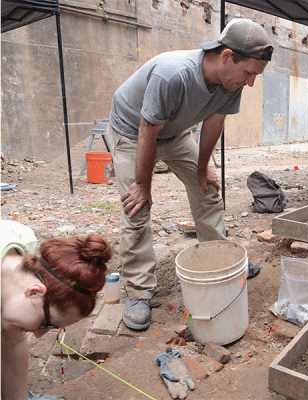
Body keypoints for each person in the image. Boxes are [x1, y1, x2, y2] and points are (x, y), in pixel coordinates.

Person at [107, 18, 273, 331]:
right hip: (134, 132)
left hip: (175, 131)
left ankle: (222, 260)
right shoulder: (174, 74)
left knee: (208, 189)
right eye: (249, 73)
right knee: (137, 206)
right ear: (226, 57)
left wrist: (201, 167)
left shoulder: (230, 82)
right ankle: (140, 291)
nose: (251, 83)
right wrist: (143, 185)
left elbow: (214, 122)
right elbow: (147, 129)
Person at [1, 220, 111, 400]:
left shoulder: (22, 249)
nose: (37, 335)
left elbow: (11, 341)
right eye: (46, 324)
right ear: (34, 292)